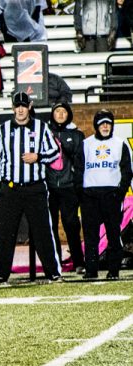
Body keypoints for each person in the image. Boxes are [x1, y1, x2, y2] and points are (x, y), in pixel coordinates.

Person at [0, 91, 62, 284]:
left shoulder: (41, 127)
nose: (20, 109)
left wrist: (38, 156)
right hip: (11, 188)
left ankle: (53, 272)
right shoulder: (2, 130)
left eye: (23, 105)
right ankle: (0, 273)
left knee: (43, 231)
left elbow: (54, 152)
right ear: (13, 107)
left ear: (29, 106)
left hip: (35, 188)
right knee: (4, 232)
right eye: (17, 106)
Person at [74, 110, 133, 279]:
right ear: (96, 125)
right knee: (90, 235)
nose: (105, 126)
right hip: (90, 195)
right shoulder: (86, 144)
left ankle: (113, 270)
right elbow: (78, 170)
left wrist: (120, 193)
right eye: (102, 123)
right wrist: (81, 193)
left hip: (111, 195)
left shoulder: (120, 144)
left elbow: (127, 171)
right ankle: (91, 270)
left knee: (114, 234)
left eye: (108, 123)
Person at [46, 102, 85, 274]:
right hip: (50, 187)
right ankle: (55, 263)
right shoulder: (45, 132)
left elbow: (80, 159)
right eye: (57, 111)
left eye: (63, 111)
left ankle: (79, 262)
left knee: (71, 225)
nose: (60, 114)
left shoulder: (77, 135)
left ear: (69, 114)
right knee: (51, 226)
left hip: (69, 186)